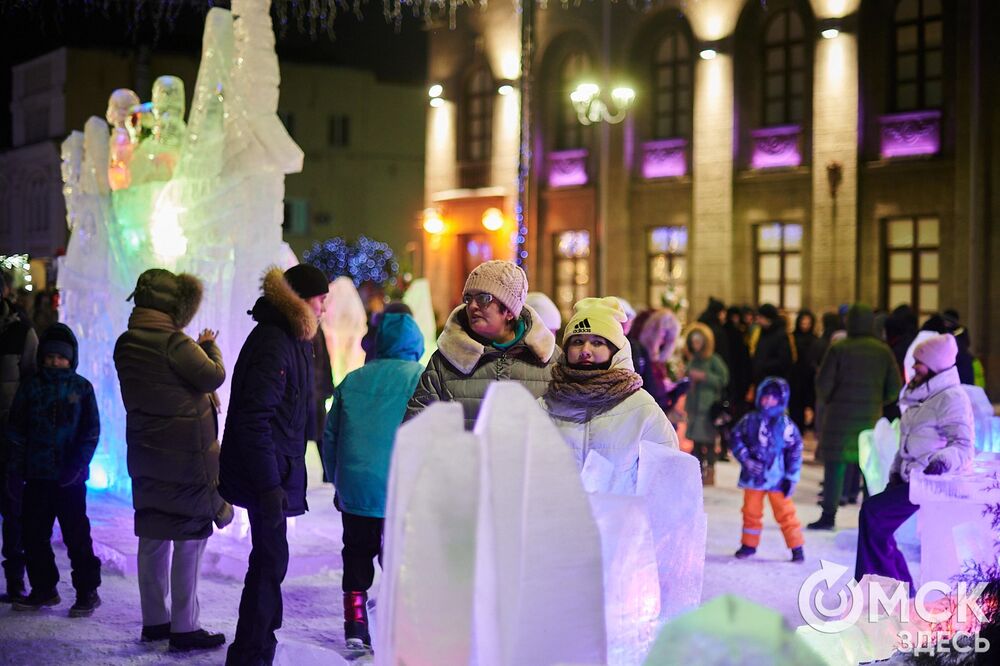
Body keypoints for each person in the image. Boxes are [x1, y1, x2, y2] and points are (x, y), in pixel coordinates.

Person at [114, 269, 231, 650]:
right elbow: (212, 376)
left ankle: (155, 621)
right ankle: (184, 626)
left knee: (152, 535)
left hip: (146, 454)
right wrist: (209, 346)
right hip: (184, 456)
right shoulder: (175, 343)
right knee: (189, 538)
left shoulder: (125, 344)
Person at [219, 264, 329, 665]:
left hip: (274, 471)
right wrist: (269, 486)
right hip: (265, 474)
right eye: (321, 299)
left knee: (270, 561)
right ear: (300, 299)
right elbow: (255, 419)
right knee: (268, 562)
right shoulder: (275, 342)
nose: (325, 309)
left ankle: (259, 644)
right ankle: (251, 652)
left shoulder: (291, 338)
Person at [321, 312, 424, 651]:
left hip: (357, 487)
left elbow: (331, 437)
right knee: (400, 560)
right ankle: (399, 624)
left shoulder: (353, 380)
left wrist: (338, 481)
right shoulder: (422, 380)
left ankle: (355, 624)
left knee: (356, 554)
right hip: (402, 489)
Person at [855, 334, 974, 585]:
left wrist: (940, 462)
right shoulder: (921, 395)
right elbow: (907, 442)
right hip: (908, 476)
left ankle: (882, 587)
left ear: (935, 365)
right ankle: (896, 585)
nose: (913, 367)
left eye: (919, 362)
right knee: (876, 521)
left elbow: (963, 446)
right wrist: (896, 469)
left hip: (930, 479)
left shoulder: (951, 398)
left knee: (873, 514)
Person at [8, 324, 102, 615]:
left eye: (61, 357)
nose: (54, 362)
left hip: (70, 481)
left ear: (71, 359)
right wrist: (19, 466)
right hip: (37, 476)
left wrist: (78, 466)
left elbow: (91, 431)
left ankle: (87, 590)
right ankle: (43, 588)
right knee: (34, 535)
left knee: (77, 535)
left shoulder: (82, 388)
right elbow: (17, 429)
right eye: (49, 357)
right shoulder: (31, 387)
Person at [540, 297, 678, 492]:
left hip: (618, 520)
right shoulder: (545, 405)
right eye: (578, 341)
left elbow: (668, 477)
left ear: (614, 350)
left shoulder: (641, 408)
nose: (585, 351)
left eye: (597, 343)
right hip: (559, 520)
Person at [406, 260, 558, 429]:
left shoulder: (550, 360)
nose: (472, 306)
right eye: (468, 298)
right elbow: (417, 429)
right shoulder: (446, 359)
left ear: (509, 311)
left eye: (484, 298)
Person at [809, 304, 902, 530]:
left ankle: (828, 515)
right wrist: (877, 400)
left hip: (838, 421)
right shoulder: (882, 351)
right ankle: (871, 519)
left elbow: (823, 386)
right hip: (869, 420)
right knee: (869, 470)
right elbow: (894, 388)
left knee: (834, 470)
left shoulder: (839, 349)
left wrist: (832, 399)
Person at [730, 376, 805, 562]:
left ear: (781, 400)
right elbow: (735, 438)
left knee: (786, 513)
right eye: (765, 396)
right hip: (753, 477)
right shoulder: (749, 420)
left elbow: (795, 450)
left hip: (778, 479)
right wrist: (746, 459)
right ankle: (749, 544)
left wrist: (792, 476)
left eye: (773, 398)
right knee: (751, 512)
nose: (767, 401)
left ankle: (797, 546)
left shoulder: (786, 425)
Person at [0, 290, 37, 604]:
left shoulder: (21, 332)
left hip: (10, 438)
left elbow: (34, 382)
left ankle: (15, 581)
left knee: (14, 511)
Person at [683, 322, 730, 486]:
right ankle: (697, 472)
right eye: (693, 342)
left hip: (708, 408)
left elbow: (723, 379)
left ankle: (710, 471)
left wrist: (704, 377)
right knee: (696, 443)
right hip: (695, 408)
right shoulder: (693, 360)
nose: (696, 345)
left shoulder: (714, 361)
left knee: (709, 442)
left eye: (699, 341)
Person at [789, 310, 821, 433]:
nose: (805, 325)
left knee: (808, 404)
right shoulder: (792, 338)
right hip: (795, 376)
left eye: (808, 323)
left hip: (809, 376)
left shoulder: (814, 339)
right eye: (803, 322)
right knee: (795, 406)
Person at [751, 303, 792, 386]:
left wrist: (763, 365)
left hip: (774, 381)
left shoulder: (781, 335)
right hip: (761, 380)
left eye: (760, 317)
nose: (758, 320)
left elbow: (784, 360)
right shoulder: (762, 332)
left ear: (769, 319)